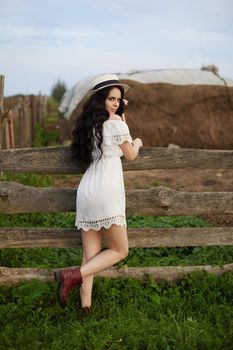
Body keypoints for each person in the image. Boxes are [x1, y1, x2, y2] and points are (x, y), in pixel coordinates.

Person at [54, 74, 143, 313]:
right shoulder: (115, 124)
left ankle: (85, 308)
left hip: (87, 190)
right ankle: (71, 276)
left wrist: (120, 115)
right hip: (107, 190)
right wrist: (137, 142)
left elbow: (112, 144)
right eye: (111, 98)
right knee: (120, 250)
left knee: (91, 255)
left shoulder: (90, 125)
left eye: (118, 99)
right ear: (101, 100)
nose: (115, 103)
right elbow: (130, 154)